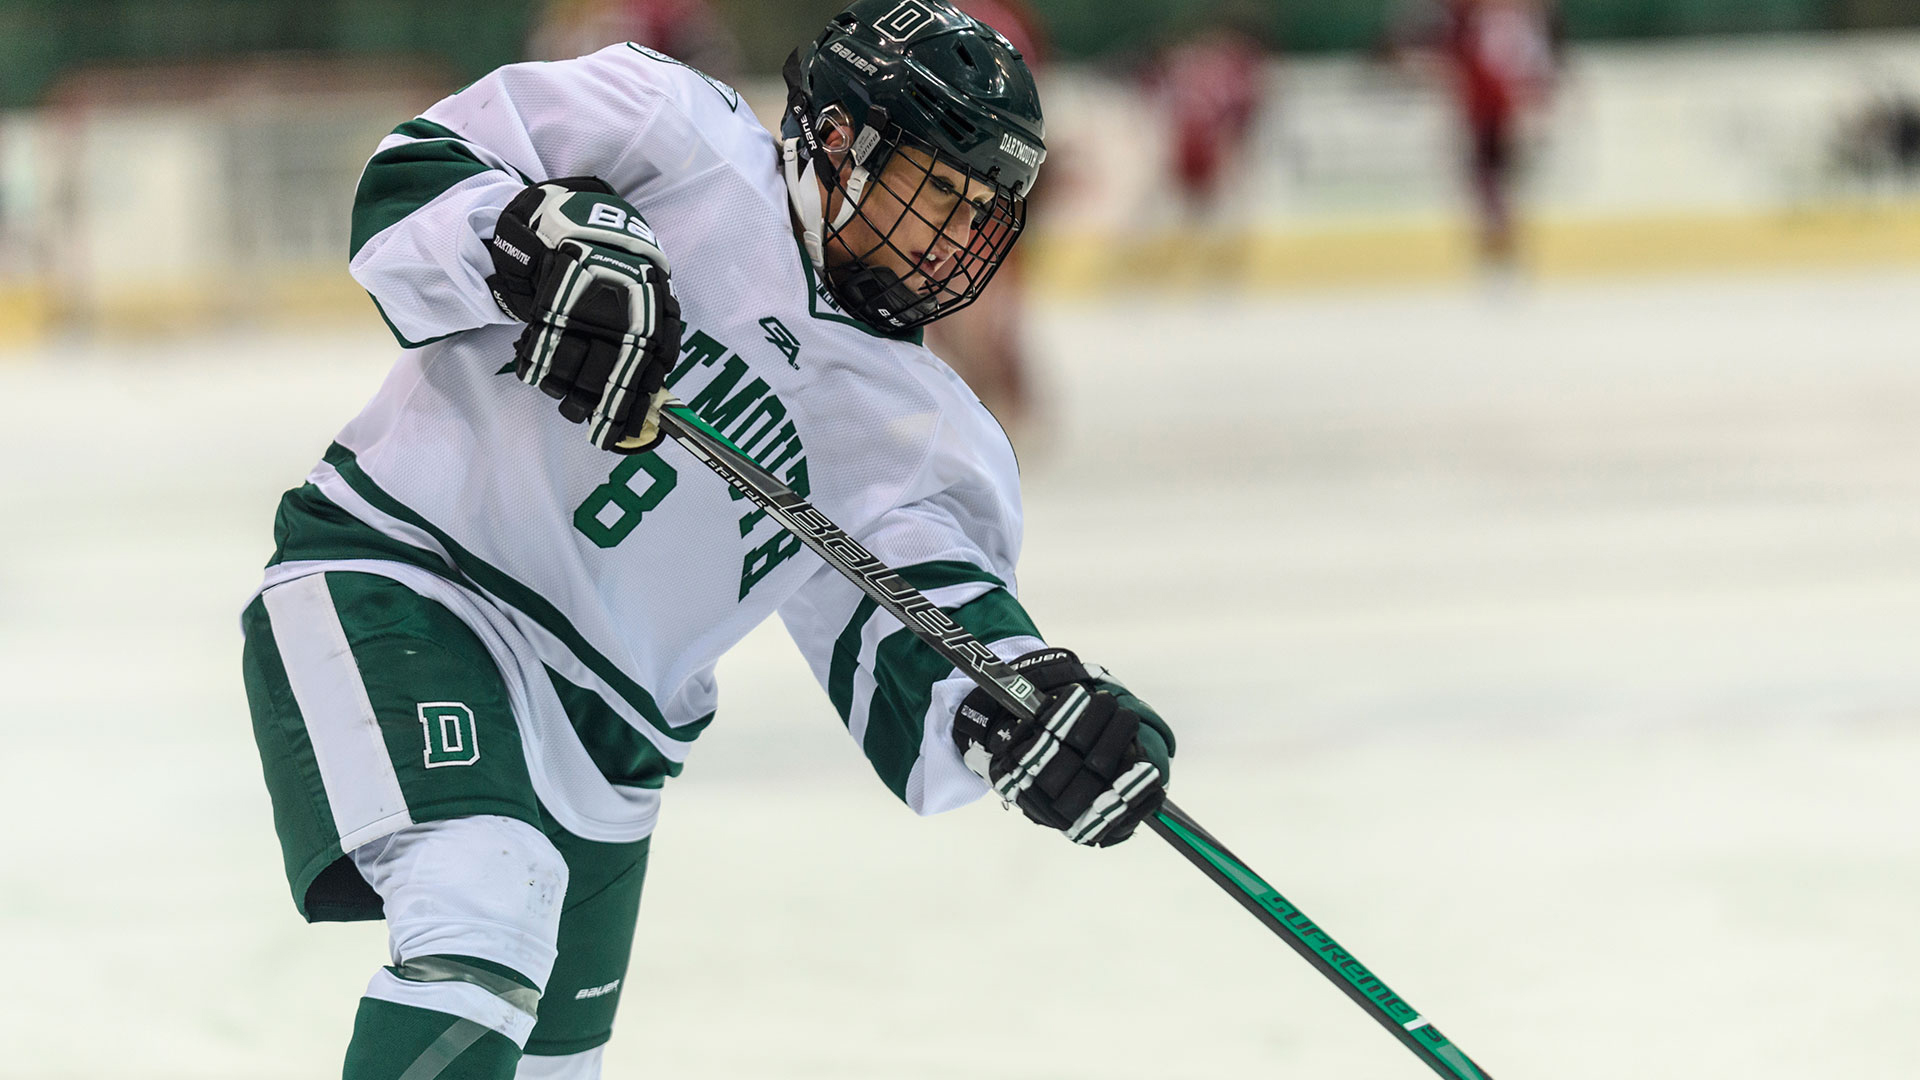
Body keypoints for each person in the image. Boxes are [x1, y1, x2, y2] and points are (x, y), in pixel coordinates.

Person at [238, 3, 1176, 1078]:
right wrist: (527, 247)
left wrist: (1038, 715)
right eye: (936, 190)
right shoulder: (667, 127)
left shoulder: (922, 436)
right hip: (410, 583)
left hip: (611, 741)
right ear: (838, 142)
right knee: (483, 900)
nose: (952, 239)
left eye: (978, 211)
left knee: (546, 1062)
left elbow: (923, 640)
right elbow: (414, 176)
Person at [1390, 0, 1559, 270]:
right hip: (1486, 109)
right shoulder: (1472, 20)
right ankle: (1498, 240)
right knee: (1489, 180)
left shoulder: (1479, 19)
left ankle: (1500, 241)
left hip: (1492, 109)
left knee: (1491, 178)